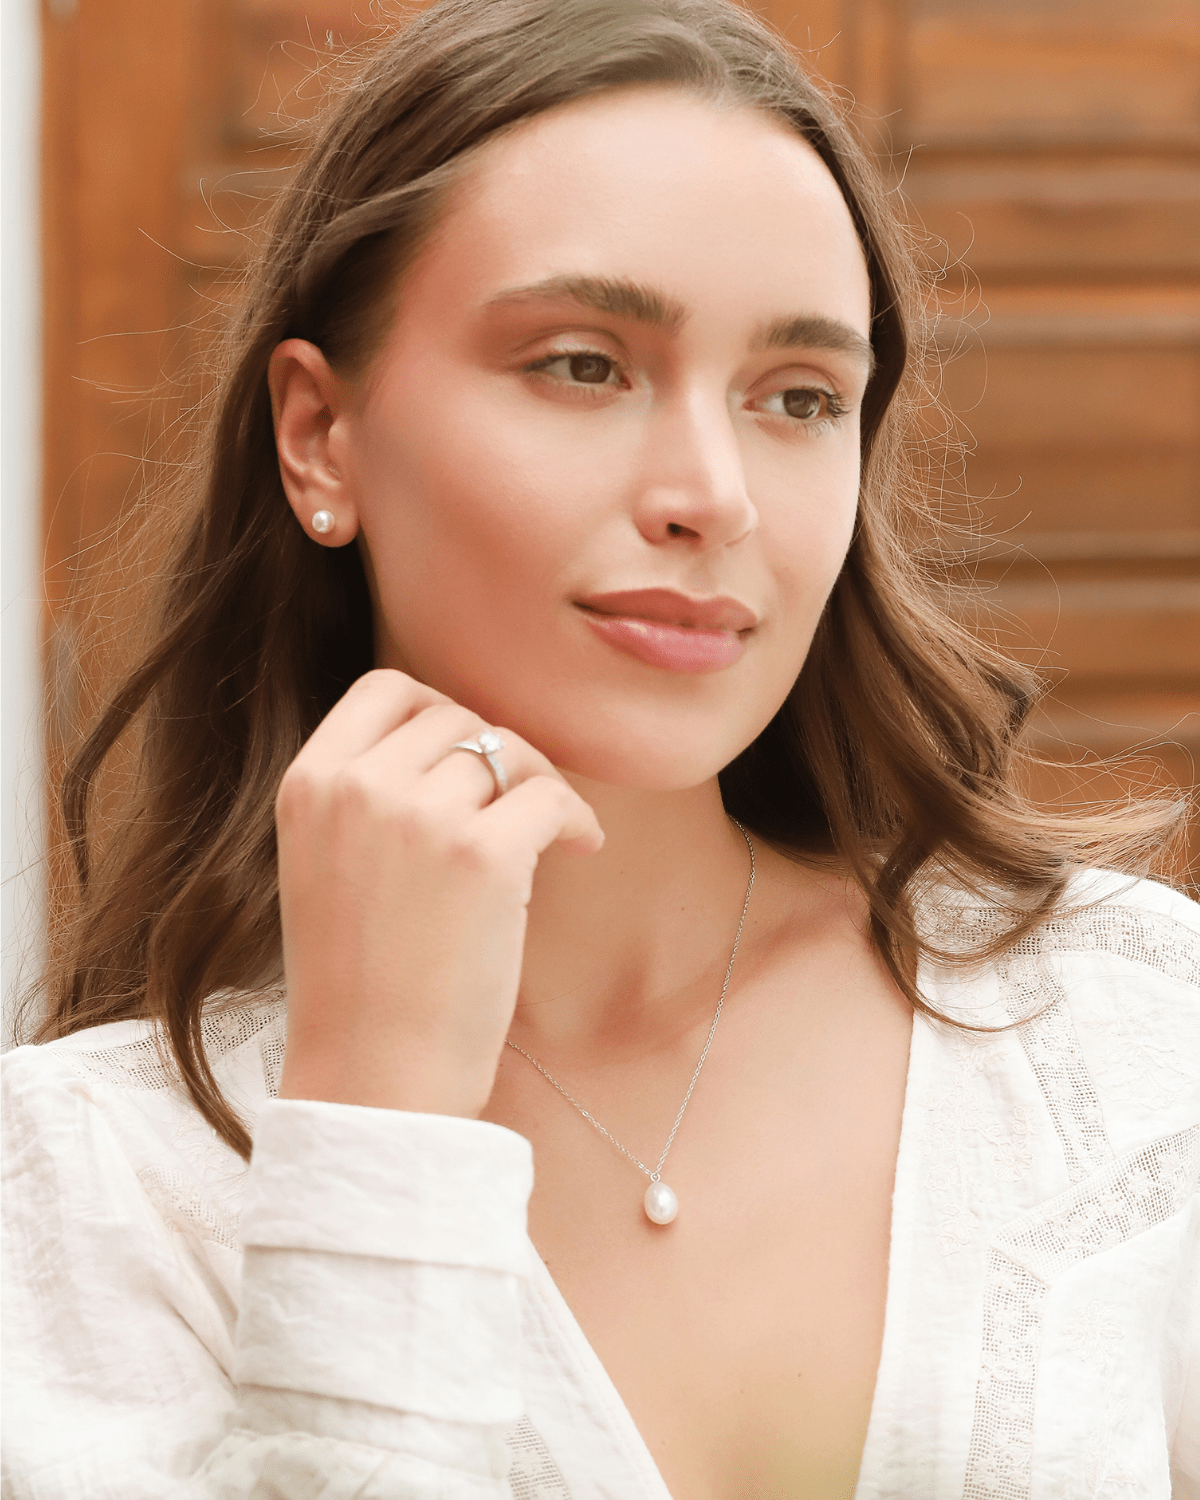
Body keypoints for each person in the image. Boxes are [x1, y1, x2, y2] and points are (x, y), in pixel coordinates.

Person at [3, 0, 1197, 1495]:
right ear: (320, 436)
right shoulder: (93, 1183)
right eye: (582, 365)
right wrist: (371, 1124)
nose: (713, 493)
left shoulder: (1135, 1045)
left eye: (801, 398)